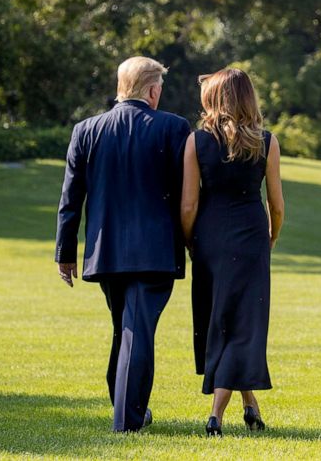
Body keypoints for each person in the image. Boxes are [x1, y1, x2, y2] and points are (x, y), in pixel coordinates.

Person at [55, 56, 191, 432]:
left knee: (126, 327)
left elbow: (71, 198)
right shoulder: (174, 128)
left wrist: (65, 253)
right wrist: (195, 241)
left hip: (107, 251)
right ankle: (127, 419)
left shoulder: (86, 130)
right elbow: (187, 195)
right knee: (136, 329)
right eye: (159, 89)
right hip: (156, 250)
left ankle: (124, 405)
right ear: (152, 90)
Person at [181, 67, 284, 436]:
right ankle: (216, 416)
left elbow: (188, 206)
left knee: (221, 319)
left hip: (210, 239)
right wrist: (271, 236)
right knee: (244, 325)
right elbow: (277, 204)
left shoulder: (196, 142)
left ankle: (248, 406)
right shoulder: (267, 142)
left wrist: (191, 240)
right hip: (251, 237)